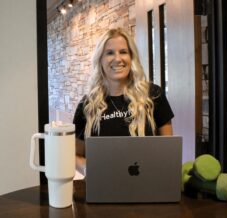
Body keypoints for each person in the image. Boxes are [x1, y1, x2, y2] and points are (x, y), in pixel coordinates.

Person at [73, 28, 174, 173]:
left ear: (131, 57)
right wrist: (86, 168)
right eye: (109, 53)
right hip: (104, 189)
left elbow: (168, 151)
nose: (117, 59)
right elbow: (76, 154)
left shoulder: (153, 95)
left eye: (123, 52)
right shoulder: (87, 105)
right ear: (100, 59)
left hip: (147, 186)